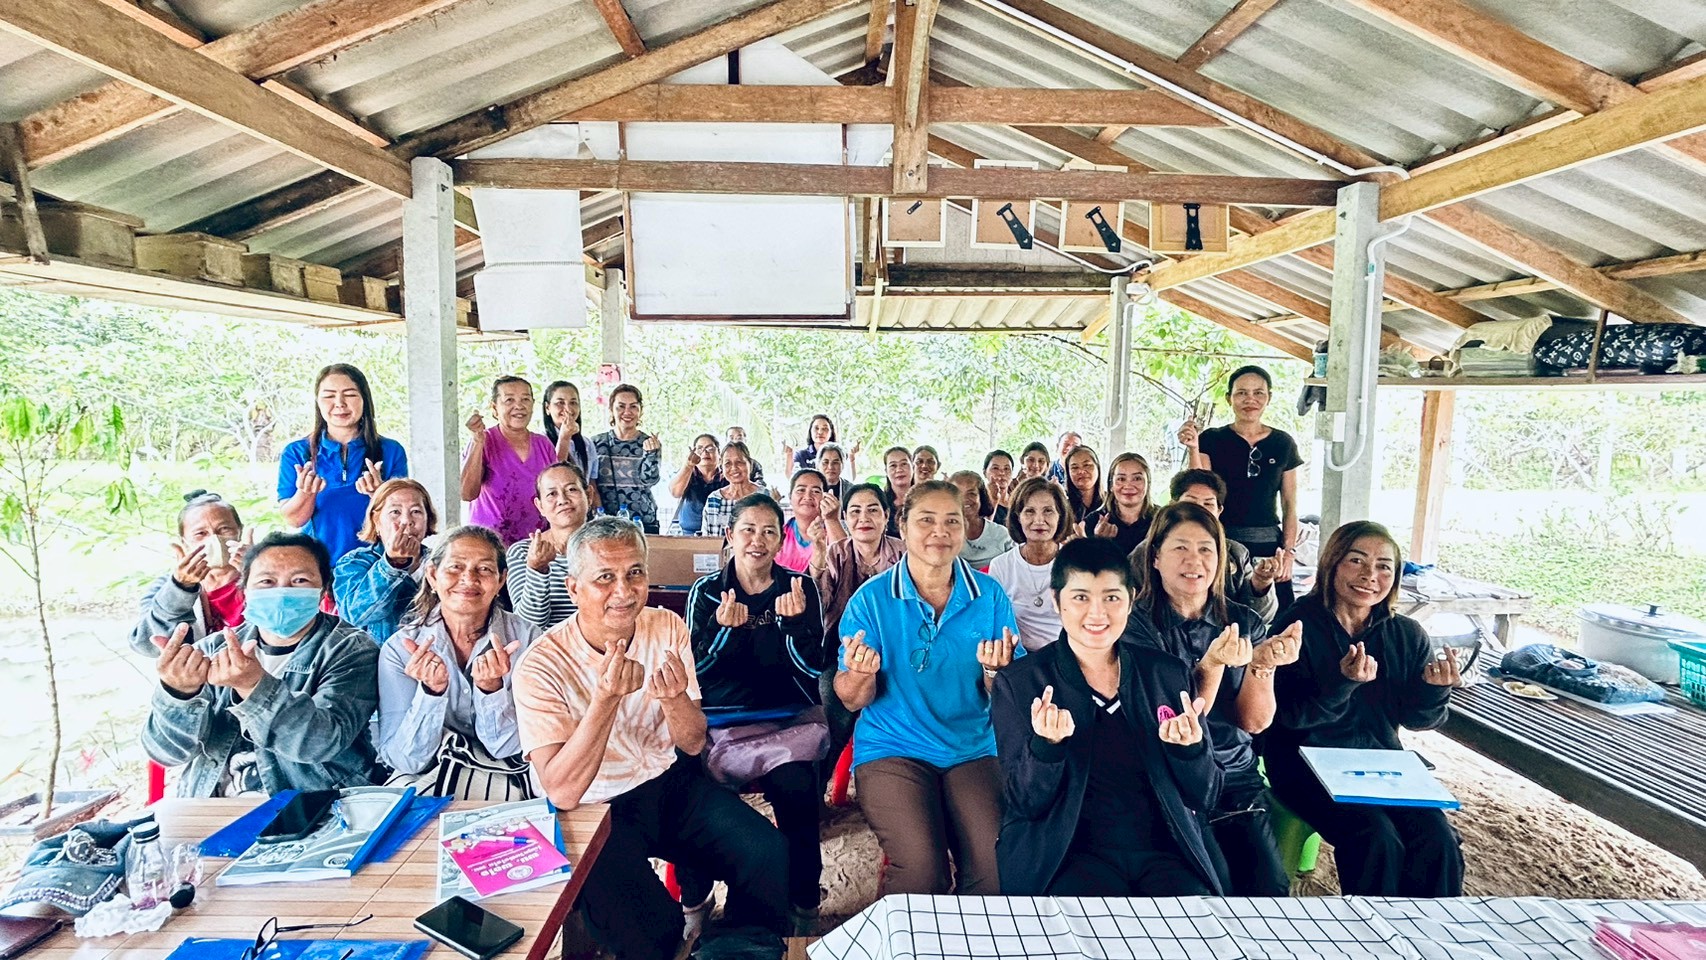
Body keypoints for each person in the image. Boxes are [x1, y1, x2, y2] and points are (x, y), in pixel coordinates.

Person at [513, 518, 789, 959]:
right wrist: (606, 699)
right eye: (605, 577)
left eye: (635, 573)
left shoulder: (666, 626)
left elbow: (694, 742)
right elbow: (562, 790)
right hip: (595, 808)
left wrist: (675, 698)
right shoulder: (540, 666)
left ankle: (735, 948)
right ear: (573, 588)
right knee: (651, 931)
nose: (624, 591)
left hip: (668, 781)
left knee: (766, 855)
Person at [992, 537, 1223, 897]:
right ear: (1057, 602)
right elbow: (1023, 802)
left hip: (1163, 850)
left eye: (1112, 598)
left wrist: (1190, 751)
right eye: (1080, 597)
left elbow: (1206, 796)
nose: (1097, 614)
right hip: (1070, 854)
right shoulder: (1021, 682)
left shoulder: (1167, 675)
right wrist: (1046, 747)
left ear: (1131, 600)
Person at [832, 481, 1021, 896]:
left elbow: (1009, 698)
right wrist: (862, 674)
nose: (940, 531)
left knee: (996, 868)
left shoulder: (988, 596)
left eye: (952, 520)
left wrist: (994, 674)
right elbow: (850, 697)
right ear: (903, 525)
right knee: (920, 871)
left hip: (972, 748)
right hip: (892, 748)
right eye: (926, 520)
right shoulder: (872, 600)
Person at [1266, 521, 1466, 898]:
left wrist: (1434, 691)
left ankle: (1432, 939)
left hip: (1381, 765)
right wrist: (1341, 685)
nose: (1369, 576)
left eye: (1383, 566)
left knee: (1438, 838)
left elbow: (1419, 720)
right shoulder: (1296, 625)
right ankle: (1374, 939)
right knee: (1376, 836)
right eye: (1356, 561)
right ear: (1333, 564)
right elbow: (1283, 718)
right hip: (1302, 761)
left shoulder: (1406, 634)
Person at [1123, 501, 1298, 898]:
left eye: (1206, 549)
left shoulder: (1245, 622)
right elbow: (1175, 727)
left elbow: (1252, 723)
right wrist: (1214, 664)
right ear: (1155, 558)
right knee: (1204, 887)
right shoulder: (1135, 625)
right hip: (1162, 777)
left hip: (1232, 777)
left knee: (1267, 887)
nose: (1194, 561)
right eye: (1180, 548)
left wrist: (1263, 666)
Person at [683, 494, 828, 926]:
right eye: (748, 529)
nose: (758, 541)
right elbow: (699, 672)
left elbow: (810, 672)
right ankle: (696, 899)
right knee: (692, 793)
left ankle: (804, 902)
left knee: (799, 790)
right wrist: (726, 632)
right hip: (722, 725)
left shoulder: (800, 588)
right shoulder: (706, 592)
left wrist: (791, 626)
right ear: (729, 535)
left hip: (788, 721)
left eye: (769, 531)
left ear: (781, 539)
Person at [143, 532, 378, 796]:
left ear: (322, 590)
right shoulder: (210, 651)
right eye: (267, 581)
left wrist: (254, 687)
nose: (282, 591)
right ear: (245, 591)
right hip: (214, 803)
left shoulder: (351, 650)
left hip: (313, 803)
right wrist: (178, 694)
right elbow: (167, 753)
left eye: (299, 580)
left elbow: (320, 743)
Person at [379, 526, 541, 797]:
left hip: (513, 775)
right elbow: (406, 761)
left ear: (501, 581)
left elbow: (509, 748)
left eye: (485, 570)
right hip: (432, 774)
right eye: (455, 567)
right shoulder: (400, 649)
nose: (468, 578)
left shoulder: (529, 640)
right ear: (432, 575)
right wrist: (431, 693)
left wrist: (492, 690)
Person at [1180, 365, 1302, 607]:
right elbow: (1200, 485)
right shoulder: (1212, 439)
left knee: (1278, 613)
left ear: (1269, 398)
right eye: (1241, 393)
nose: (1250, 400)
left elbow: (1290, 503)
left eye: (1258, 393)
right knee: (1220, 608)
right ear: (1229, 399)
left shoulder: (1283, 443)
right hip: (1222, 537)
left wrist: (1288, 553)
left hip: (1268, 542)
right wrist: (1193, 448)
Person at [810, 483, 904, 767]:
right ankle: (815, 791)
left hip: (899, 651)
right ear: (846, 519)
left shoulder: (905, 554)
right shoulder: (835, 553)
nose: (864, 518)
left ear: (886, 516)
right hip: (842, 655)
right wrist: (817, 559)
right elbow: (817, 608)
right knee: (833, 714)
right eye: (855, 511)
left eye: (873, 510)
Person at [278, 364, 409, 564]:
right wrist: (306, 493)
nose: (339, 403)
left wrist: (379, 496)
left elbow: (403, 520)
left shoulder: (391, 451)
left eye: (349, 395)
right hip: (317, 567)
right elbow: (294, 520)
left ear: (364, 400)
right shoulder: (296, 452)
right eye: (329, 396)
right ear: (317, 402)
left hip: (376, 565)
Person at [130, 491, 250, 656]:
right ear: (184, 542)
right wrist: (181, 588)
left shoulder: (269, 577)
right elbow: (145, 645)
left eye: (224, 529)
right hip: (197, 677)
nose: (214, 539)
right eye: (201, 534)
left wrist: (258, 573)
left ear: (239, 531)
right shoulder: (166, 587)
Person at [333, 479, 437, 646]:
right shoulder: (354, 562)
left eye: (416, 511)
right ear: (377, 520)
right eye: (395, 512)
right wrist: (392, 564)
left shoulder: (442, 562)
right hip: (377, 665)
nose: (406, 521)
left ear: (428, 520)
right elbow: (355, 616)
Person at [1167, 469, 1281, 621]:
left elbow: (1258, 618)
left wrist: (1260, 584)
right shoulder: (1149, 551)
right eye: (1191, 503)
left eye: (1208, 504)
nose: (1200, 510)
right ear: (1173, 505)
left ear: (1219, 511)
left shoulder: (1236, 553)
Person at [462, 376, 556, 547]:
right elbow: (467, 493)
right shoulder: (484, 441)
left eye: (525, 399)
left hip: (536, 544)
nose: (519, 406)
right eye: (509, 400)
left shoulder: (543, 444)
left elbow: (555, 492)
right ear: (494, 408)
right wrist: (477, 441)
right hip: (491, 546)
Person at [988, 477, 1072, 651]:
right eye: (1030, 512)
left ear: (1060, 516)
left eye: (1048, 511)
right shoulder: (1001, 566)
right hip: (1018, 658)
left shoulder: (1075, 562)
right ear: (1018, 517)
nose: (1039, 520)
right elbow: (994, 623)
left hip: (1067, 653)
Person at [506, 464, 591, 632]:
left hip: (601, 645)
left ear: (589, 495)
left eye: (572, 489)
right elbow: (528, 624)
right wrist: (537, 570)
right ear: (540, 506)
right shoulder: (522, 552)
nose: (563, 500)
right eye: (552, 494)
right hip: (545, 651)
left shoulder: (608, 548)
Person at [592, 383, 664, 533]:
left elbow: (650, 480)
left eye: (633, 407)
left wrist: (651, 454)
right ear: (611, 409)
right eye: (621, 406)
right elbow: (589, 483)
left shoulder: (649, 443)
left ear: (640, 411)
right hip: (606, 523)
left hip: (642, 521)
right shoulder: (596, 443)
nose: (627, 412)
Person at [542, 381, 601, 510]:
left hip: (582, 513)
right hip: (557, 511)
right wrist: (564, 437)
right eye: (560, 403)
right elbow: (555, 475)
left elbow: (592, 484)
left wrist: (599, 514)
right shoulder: (540, 442)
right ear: (547, 408)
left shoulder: (587, 444)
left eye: (573, 403)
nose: (568, 409)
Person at [1084, 453, 1157, 554]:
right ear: (1111, 485)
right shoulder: (1093, 521)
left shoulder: (1162, 519)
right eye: (1121, 479)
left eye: (1137, 479)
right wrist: (1098, 542)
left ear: (1148, 483)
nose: (1128, 486)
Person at [950, 470, 1013, 569]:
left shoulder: (1002, 535)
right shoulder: (944, 535)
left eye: (971, 494)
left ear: (981, 497)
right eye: (958, 494)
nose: (965, 499)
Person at [699, 442, 762, 538]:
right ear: (722, 469)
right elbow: (707, 539)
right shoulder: (714, 500)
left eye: (739, 462)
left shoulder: (765, 496)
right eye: (727, 463)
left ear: (750, 464)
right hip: (720, 553)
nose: (734, 468)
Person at [667, 434, 725, 536]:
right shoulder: (688, 473)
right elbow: (675, 492)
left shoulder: (726, 477)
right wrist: (688, 466)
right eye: (699, 449)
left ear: (719, 453)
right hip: (689, 534)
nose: (705, 452)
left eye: (710, 448)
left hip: (720, 533)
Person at [776, 469, 828, 573]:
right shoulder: (779, 533)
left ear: (825, 498)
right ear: (790, 497)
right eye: (801, 490)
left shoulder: (833, 531)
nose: (808, 497)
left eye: (816, 491)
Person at [785, 414, 857, 476]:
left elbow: (850, 477)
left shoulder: (842, 454)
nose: (820, 432)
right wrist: (789, 455)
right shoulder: (801, 455)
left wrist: (852, 457)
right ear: (810, 431)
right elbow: (792, 478)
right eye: (816, 428)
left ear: (831, 432)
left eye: (825, 429)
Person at [1063, 444, 1102, 526]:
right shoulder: (1061, 503)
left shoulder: (1111, 503)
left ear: (1097, 467)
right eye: (1075, 468)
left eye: (1087, 465)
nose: (1081, 471)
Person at [880, 446, 913, 538]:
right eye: (893, 465)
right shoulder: (880, 502)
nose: (899, 470)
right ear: (886, 471)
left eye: (904, 464)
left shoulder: (924, 498)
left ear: (912, 467)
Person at [983, 450, 1016, 526]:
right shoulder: (979, 502)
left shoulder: (1018, 502)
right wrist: (993, 502)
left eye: (1006, 469)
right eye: (995, 468)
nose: (1002, 473)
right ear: (984, 472)